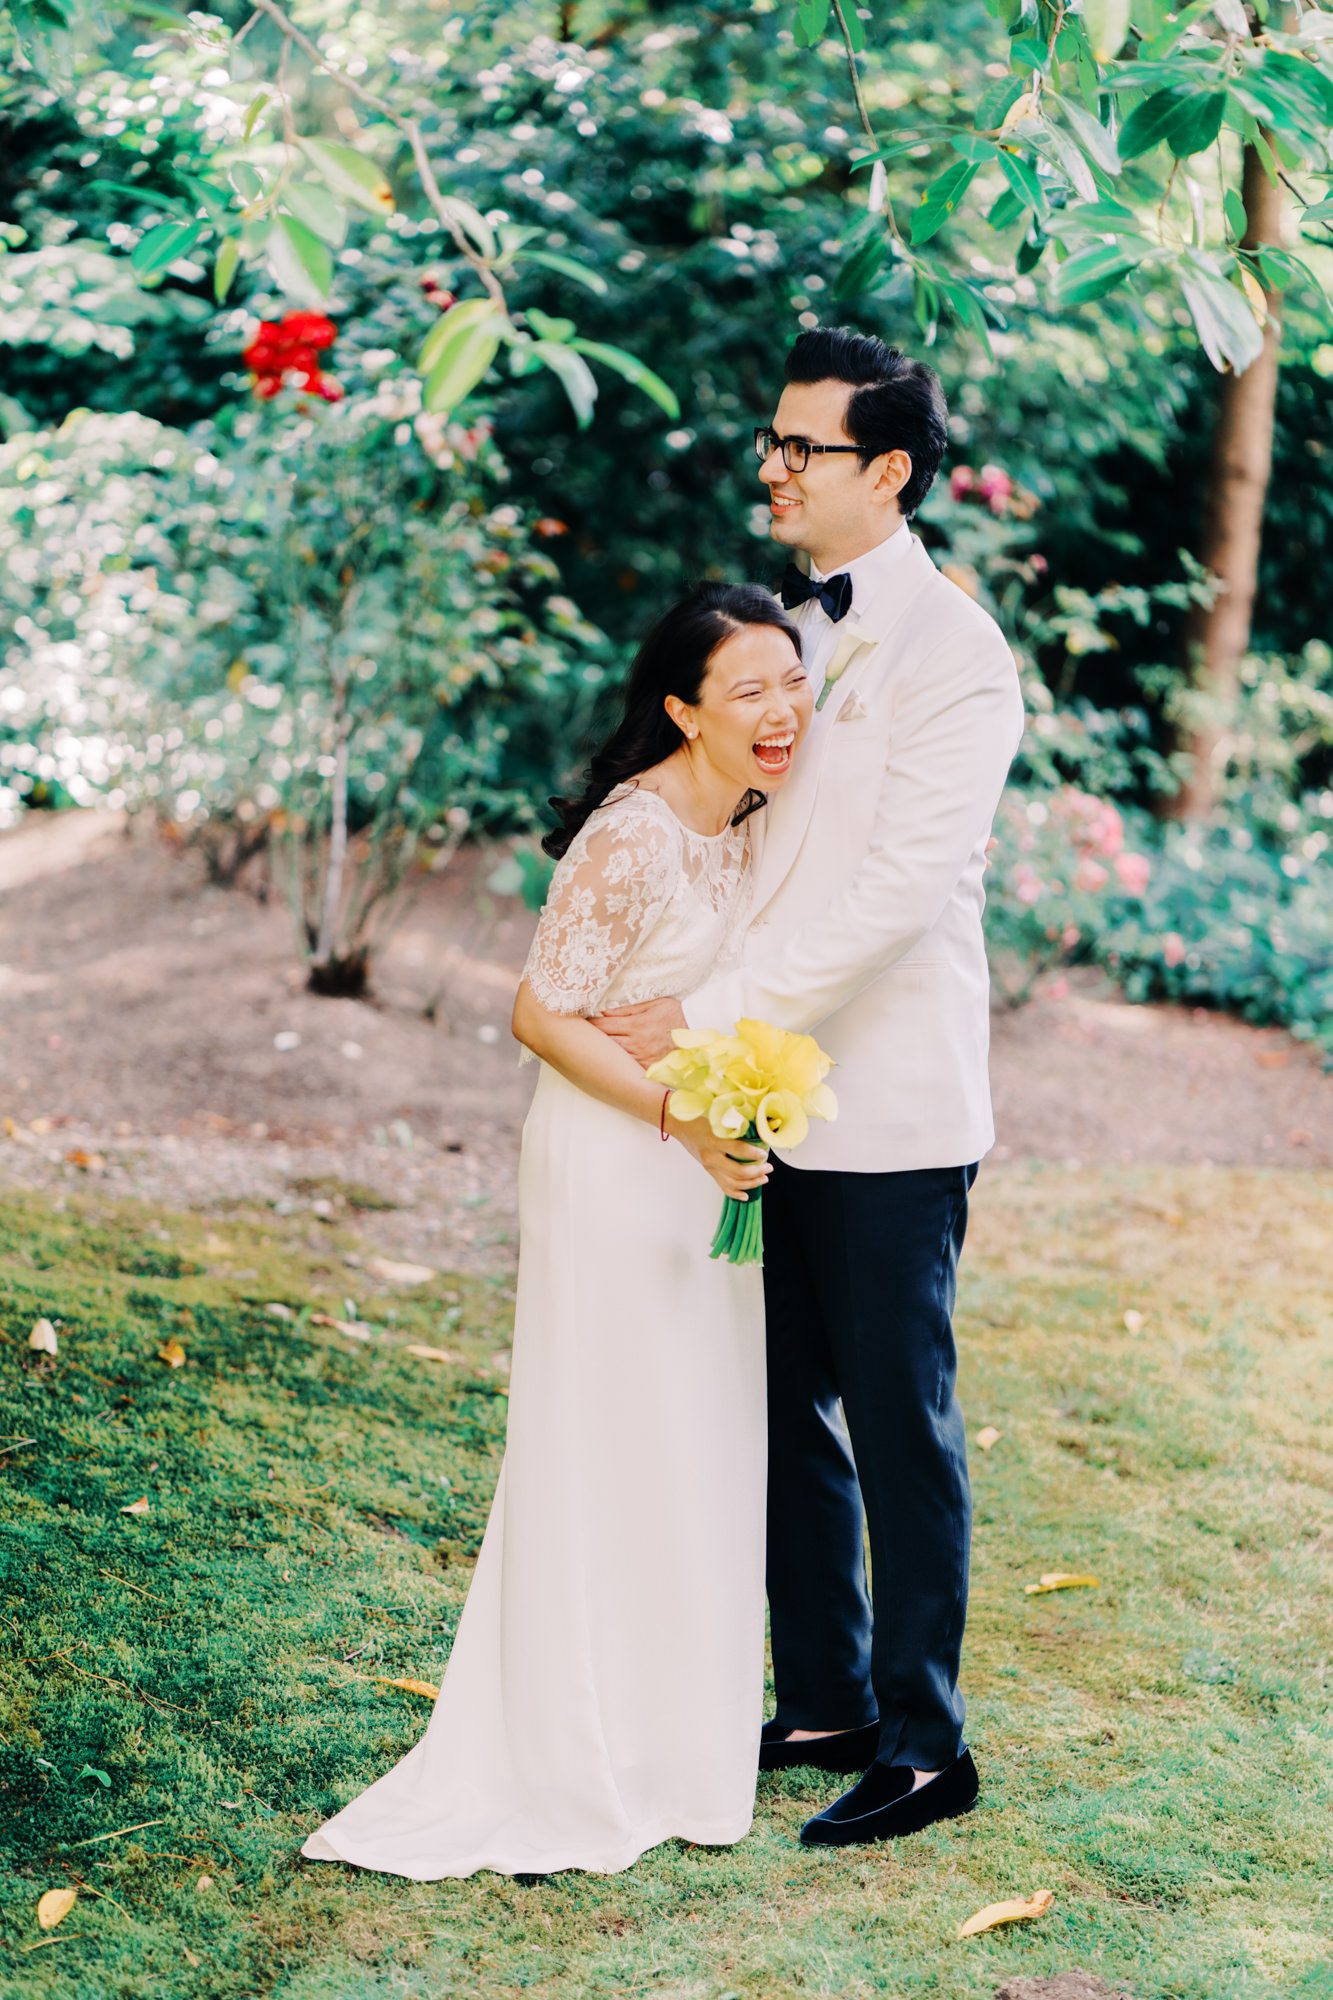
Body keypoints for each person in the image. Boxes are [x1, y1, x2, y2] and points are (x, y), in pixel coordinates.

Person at [300, 582, 813, 1879]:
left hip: (699, 1151)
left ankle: (673, 1744)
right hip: (612, 1153)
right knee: (607, 1431)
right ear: (682, 708)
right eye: (746, 689)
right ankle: (576, 1745)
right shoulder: (630, 836)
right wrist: (674, 1114)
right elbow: (540, 1015)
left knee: (693, 1433)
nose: (778, 710)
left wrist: (717, 1096)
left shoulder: (754, 819)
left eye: (791, 681)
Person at [595, 326, 1026, 1847]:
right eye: (770, 441)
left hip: (891, 1102)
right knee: (782, 1410)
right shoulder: (781, 630)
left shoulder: (958, 658)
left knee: (899, 1424)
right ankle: (829, 1692)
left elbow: (898, 894)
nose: (770, 466)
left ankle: (926, 1742)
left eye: (803, 447)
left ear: (888, 472)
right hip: (764, 1096)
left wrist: (707, 1015)